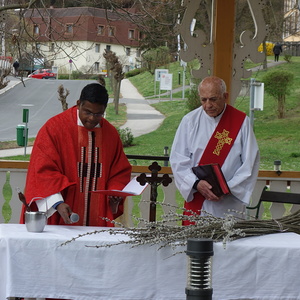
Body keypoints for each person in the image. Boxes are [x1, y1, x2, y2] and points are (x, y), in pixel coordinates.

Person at [20, 83, 132, 226]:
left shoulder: (110, 134)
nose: (92, 118)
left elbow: (119, 171)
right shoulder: (54, 129)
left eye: (98, 114)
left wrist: (114, 193)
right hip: (60, 214)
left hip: (98, 218)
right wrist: (57, 203)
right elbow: (42, 170)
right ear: (78, 104)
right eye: (87, 112)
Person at [170, 76, 260, 224]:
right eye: (203, 100)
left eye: (213, 99)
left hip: (229, 202)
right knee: (196, 244)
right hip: (199, 198)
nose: (208, 105)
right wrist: (195, 183)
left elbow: (250, 162)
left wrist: (227, 188)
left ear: (225, 96)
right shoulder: (189, 121)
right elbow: (178, 159)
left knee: (229, 244)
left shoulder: (241, 122)